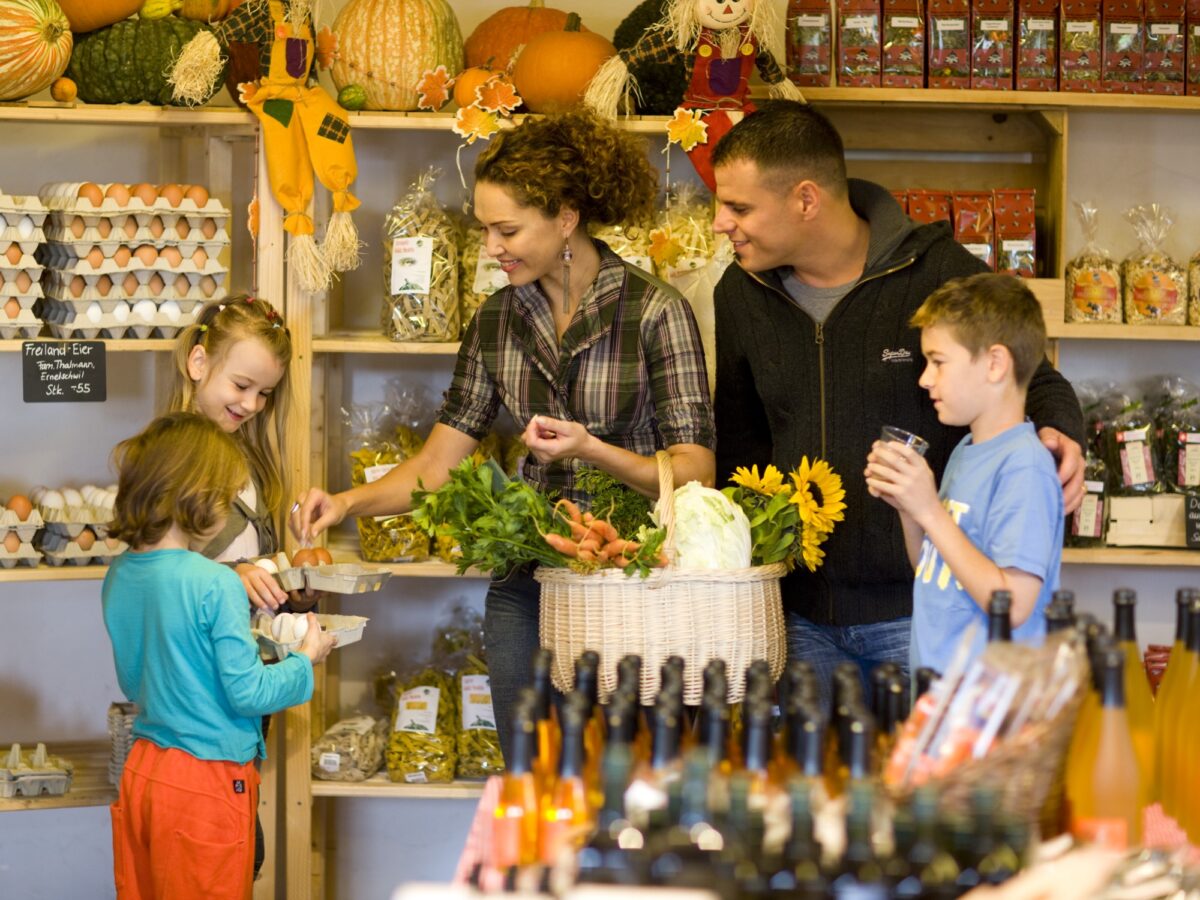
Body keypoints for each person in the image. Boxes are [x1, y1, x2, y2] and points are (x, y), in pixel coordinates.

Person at [291, 109, 716, 761]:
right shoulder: (496, 322)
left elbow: (695, 469)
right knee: (529, 763)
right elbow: (438, 463)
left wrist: (591, 448)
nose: (492, 247)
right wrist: (345, 504)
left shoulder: (657, 313)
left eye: (507, 229)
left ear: (566, 218)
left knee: (622, 768)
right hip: (528, 576)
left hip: (630, 577)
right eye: (486, 229)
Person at [709, 101, 1085, 707]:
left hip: (918, 613)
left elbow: (1029, 372)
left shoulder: (934, 269)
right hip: (795, 616)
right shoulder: (740, 291)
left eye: (739, 207)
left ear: (806, 200)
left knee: (921, 795)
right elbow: (739, 435)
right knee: (812, 794)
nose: (720, 223)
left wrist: (1063, 431)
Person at [102, 412, 336, 900]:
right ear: (199, 497)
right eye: (226, 499)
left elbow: (135, 679)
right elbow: (248, 692)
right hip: (204, 783)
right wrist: (304, 658)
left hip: (145, 773)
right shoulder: (216, 582)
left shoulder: (119, 573)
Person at [864, 274, 1063, 674]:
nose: (924, 378)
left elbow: (1015, 604)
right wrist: (910, 508)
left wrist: (931, 511)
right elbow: (933, 569)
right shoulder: (965, 450)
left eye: (938, 362)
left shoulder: (1024, 465)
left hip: (992, 710)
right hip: (944, 699)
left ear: (994, 364)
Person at [168, 296, 310, 615]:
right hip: (198, 653)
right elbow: (159, 576)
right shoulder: (169, 461)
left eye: (263, 394)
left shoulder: (248, 459)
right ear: (198, 363)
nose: (251, 405)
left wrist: (285, 592)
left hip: (251, 650)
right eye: (241, 385)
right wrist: (233, 575)